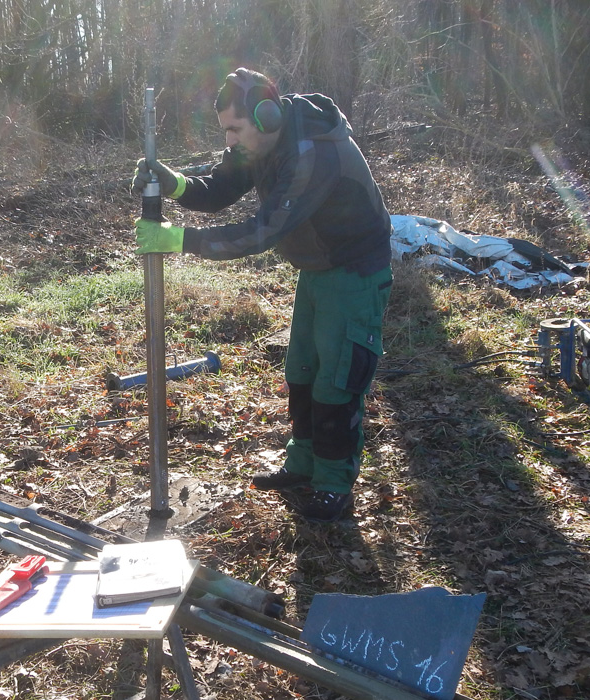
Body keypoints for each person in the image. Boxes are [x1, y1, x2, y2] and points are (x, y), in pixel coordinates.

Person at [130, 67, 393, 522]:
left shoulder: (313, 153)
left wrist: (180, 240)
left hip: (354, 273)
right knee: (302, 370)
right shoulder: (261, 140)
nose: (230, 141)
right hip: (316, 269)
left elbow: (259, 233)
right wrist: (175, 184)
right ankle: (304, 464)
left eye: (235, 129)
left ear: (266, 116)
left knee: (338, 378)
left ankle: (334, 486)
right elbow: (219, 188)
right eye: (225, 131)